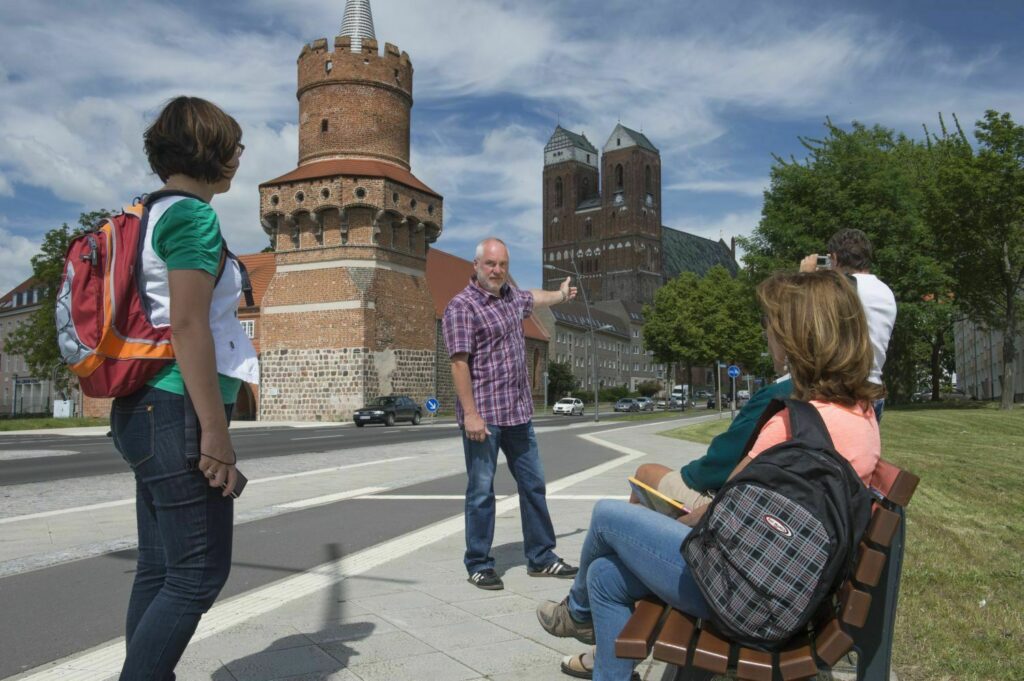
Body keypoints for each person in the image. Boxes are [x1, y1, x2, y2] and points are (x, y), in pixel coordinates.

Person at [537, 270, 882, 681]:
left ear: (797, 338)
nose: (767, 334)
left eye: (771, 325)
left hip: (744, 593)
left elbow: (720, 509)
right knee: (604, 574)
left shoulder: (793, 423)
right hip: (784, 585)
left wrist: (663, 529)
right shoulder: (862, 414)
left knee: (608, 518)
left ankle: (576, 615)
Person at [110, 96, 258, 680]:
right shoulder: (194, 217)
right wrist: (216, 433)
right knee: (197, 573)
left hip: (142, 408)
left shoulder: (148, 214)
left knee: (158, 567)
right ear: (212, 151)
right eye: (235, 145)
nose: (240, 158)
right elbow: (190, 323)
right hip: (176, 409)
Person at [442, 237, 580, 590]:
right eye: (490, 264)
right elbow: (459, 364)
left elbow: (536, 297)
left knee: (533, 485)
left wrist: (562, 295)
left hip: (518, 414)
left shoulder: (512, 299)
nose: (497, 270)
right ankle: (478, 563)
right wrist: (470, 414)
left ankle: (542, 557)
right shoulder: (463, 306)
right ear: (476, 266)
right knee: (481, 491)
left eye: (502, 265)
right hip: (484, 418)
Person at [801, 228, 896, 421]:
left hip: (843, 394)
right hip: (874, 390)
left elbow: (802, 323)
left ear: (834, 258)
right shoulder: (885, 291)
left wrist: (806, 278)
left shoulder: (841, 288)